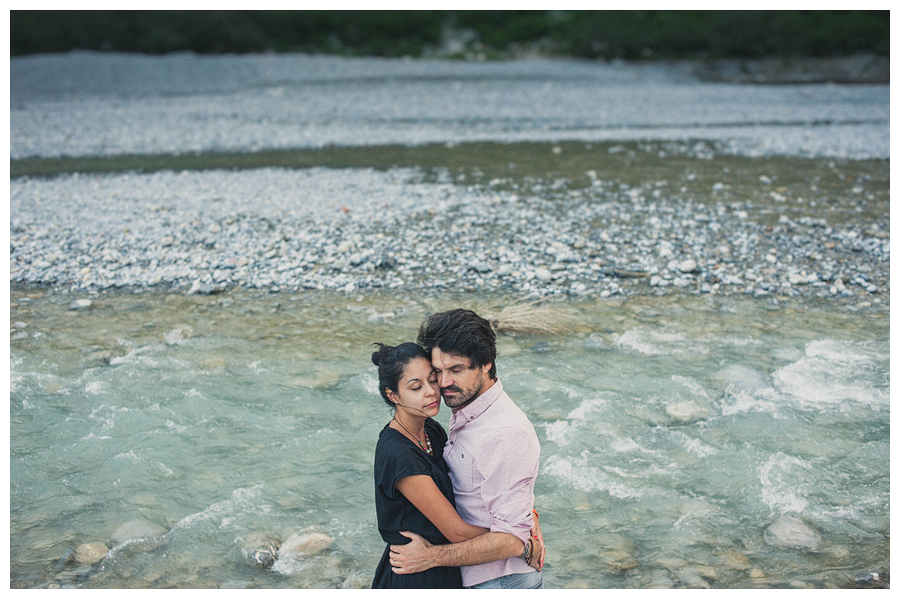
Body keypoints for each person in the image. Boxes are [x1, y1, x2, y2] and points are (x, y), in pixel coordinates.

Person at [388, 309, 545, 589]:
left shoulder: (504, 433)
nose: (443, 383)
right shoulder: (467, 408)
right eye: (438, 370)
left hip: (500, 581)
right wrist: (529, 516)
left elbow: (510, 540)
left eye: (456, 370)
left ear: (485, 364)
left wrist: (430, 557)